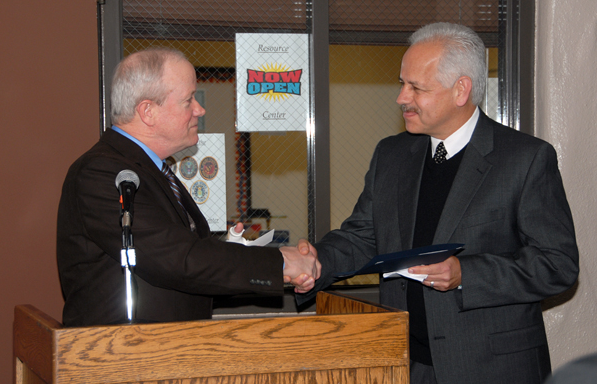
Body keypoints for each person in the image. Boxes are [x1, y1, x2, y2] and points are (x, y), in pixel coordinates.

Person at [294, 22, 579, 384]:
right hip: (405, 364)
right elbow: (364, 236)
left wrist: (466, 274)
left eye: (416, 87)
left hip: (492, 369)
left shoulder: (525, 159)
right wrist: (315, 262)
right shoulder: (392, 154)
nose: (401, 97)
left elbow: (558, 264)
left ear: (461, 90)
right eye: (401, 83)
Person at [57, 47, 320, 327]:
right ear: (148, 111)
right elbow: (177, 259)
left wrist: (232, 250)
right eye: (188, 100)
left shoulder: (149, 168)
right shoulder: (103, 173)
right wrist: (279, 263)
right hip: (124, 359)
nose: (199, 109)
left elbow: (180, 254)